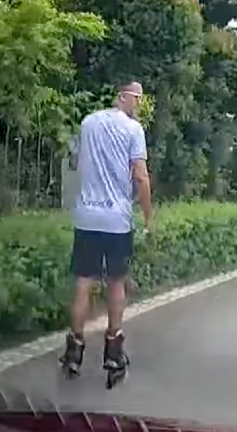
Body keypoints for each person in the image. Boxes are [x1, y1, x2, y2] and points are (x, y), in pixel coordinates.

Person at [59, 82, 153, 376]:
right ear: (123, 96)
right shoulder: (133, 130)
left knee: (83, 282)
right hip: (116, 220)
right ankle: (113, 350)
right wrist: (148, 217)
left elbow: (75, 159)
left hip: (87, 216)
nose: (138, 104)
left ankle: (74, 350)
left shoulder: (88, 122)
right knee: (115, 282)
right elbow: (140, 176)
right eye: (137, 98)